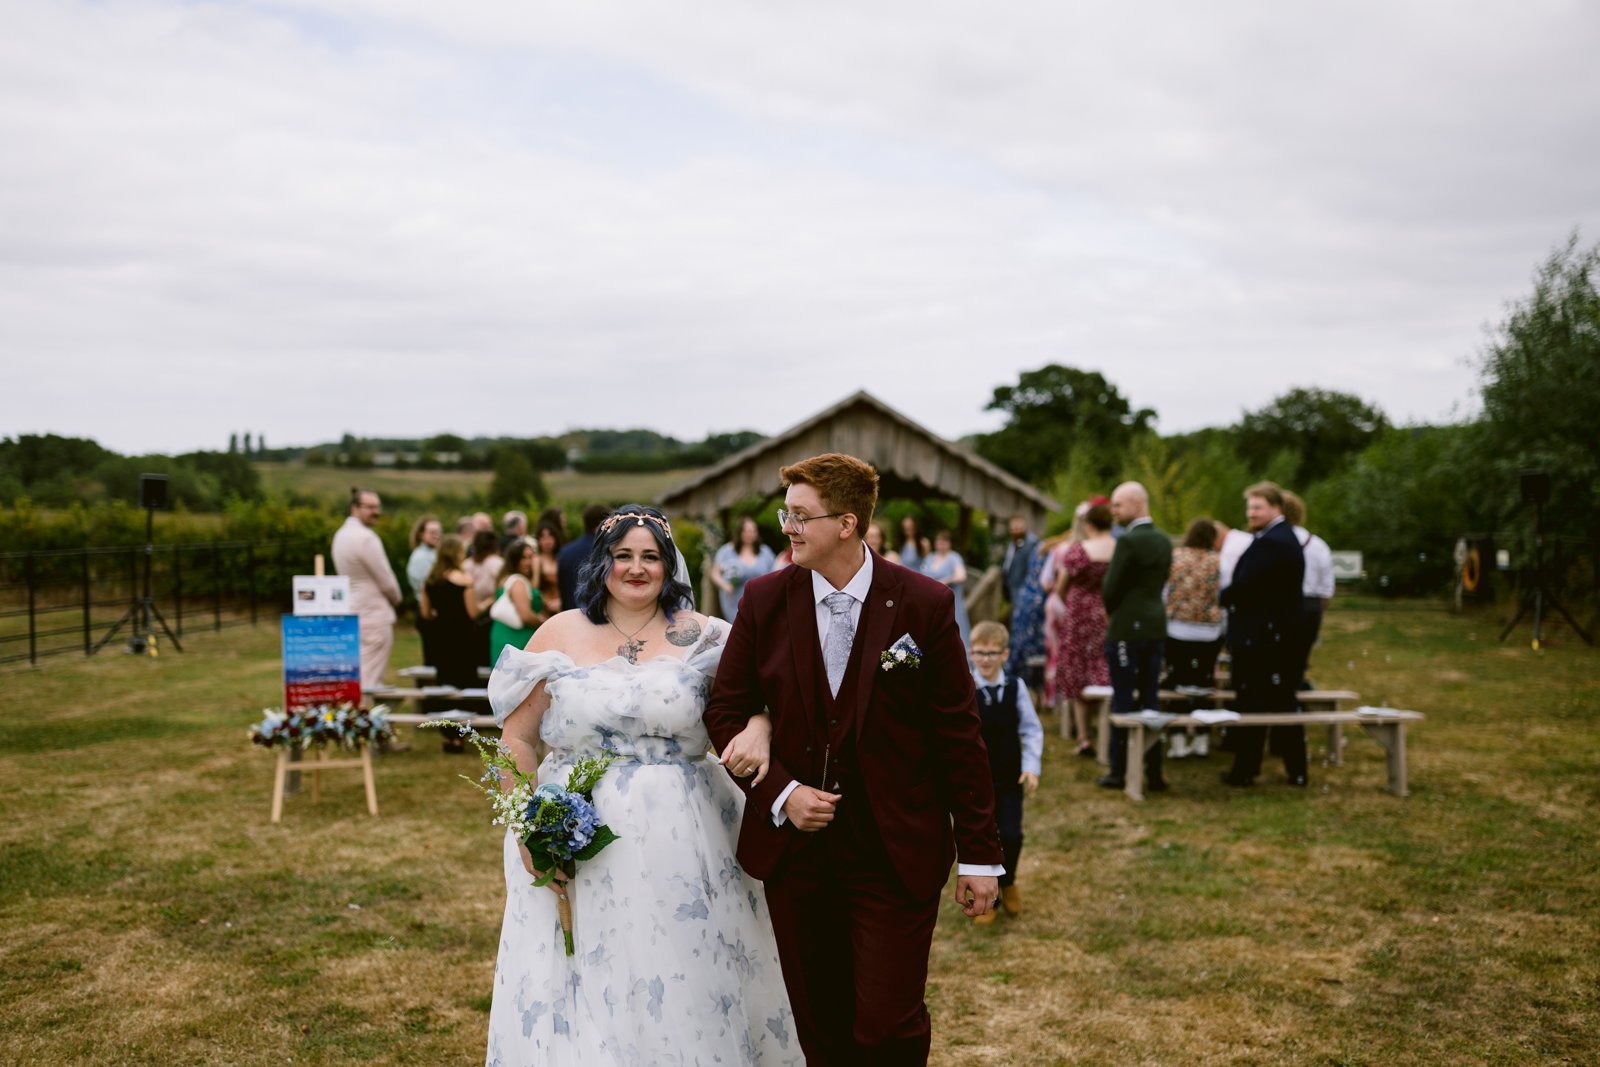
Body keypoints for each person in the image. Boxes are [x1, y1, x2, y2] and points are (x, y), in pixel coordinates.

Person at [703, 452, 1003, 1066]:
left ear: (847, 524)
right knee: (820, 1022)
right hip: (798, 855)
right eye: (785, 514)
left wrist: (980, 855)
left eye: (800, 516)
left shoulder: (924, 602)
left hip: (893, 848)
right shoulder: (764, 599)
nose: (787, 527)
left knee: (887, 1022)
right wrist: (783, 792)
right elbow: (726, 710)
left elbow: (958, 734)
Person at [485, 505, 799, 1066]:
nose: (636, 568)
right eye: (623, 555)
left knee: (680, 965)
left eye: (650, 556)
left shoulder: (707, 635)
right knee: (587, 969)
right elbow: (518, 741)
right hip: (578, 836)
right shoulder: (559, 632)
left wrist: (760, 725)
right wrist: (528, 825)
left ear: (668, 564)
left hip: (686, 837)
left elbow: (770, 699)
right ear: (601, 561)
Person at [1221, 482, 1307, 788]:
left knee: (1255, 701)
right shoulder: (1281, 538)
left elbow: (1246, 586)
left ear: (1276, 508)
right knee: (1282, 700)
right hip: (1276, 636)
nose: (1251, 513)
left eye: (1257, 507)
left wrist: (1223, 597)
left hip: (1262, 638)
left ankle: (1246, 770)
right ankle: (1294, 770)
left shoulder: (1272, 542)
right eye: (1249, 508)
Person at [1097, 482, 1172, 792]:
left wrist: (1113, 610)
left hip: (1127, 626)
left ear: (1137, 504)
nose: (1113, 511)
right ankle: (1154, 772)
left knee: (1124, 698)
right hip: (1155, 623)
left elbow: (1110, 587)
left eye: (1118, 505)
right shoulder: (1165, 540)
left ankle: (1119, 770)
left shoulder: (1128, 541)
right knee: (1151, 698)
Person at [967, 620, 1043, 926]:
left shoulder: (1016, 688)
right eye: (979, 652)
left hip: (1009, 778)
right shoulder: (964, 688)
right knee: (983, 838)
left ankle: (1008, 881)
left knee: (1011, 835)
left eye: (992, 653)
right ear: (971, 654)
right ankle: (990, 897)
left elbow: (1032, 729)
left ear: (1005, 654)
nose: (985, 659)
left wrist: (1031, 767)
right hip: (975, 780)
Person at [1054, 504, 1114, 758]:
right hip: (1106, 612)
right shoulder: (1118, 548)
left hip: (1079, 614)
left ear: (1089, 525)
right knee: (1102, 667)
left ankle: (1083, 736)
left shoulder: (1079, 550)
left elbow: (1060, 587)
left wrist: (1075, 599)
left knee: (1078, 670)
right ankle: (1107, 730)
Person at [1162, 518, 1224, 759]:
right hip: (1208, 629)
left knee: (1177, 682)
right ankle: (1201, 739)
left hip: (1177, 627)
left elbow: (1164, 591)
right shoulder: (1218, 561)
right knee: (1204, 684)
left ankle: (1178, 740)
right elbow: (1223, 593)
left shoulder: (1175, 557)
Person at [331, 488, 403, 692]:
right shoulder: (366, 537)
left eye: (378, 507)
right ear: (355, 508)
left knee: (356, 670)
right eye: (370, 507)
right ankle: (363, 719)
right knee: (370, 676)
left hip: (351, 609)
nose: (376, 511)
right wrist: (397, 599)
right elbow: (385, 578)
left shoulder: (340, 535)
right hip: (373, 613)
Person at [1281, 490, 1334, 689]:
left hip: (1282, 603)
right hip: (1311, 604)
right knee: (1300, 658)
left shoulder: (1270, 542)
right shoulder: (1318, 545)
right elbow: (1327, 585)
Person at [419, 534, 482, 690]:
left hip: (440, 634)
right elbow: (472, 613)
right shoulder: (464, 578)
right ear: (456, 553)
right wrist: (487, 603)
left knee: (445, 679)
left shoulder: (430, 580)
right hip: (463, 635)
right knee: (466, 680)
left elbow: (426, 613)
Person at [489, 537, 546, 666]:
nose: (528, 562)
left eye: (531, 557)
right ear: (515, 560)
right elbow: (525, 615)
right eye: (523, 558)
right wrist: (545, 623)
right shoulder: (518, 582)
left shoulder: (506, 578)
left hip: (505, 634)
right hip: (515, 638)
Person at [710, 515, 777, 621]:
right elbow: (715, 573)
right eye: (747, 531)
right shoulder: (727, 551)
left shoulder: (765, 552)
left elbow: (775, 572)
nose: (750, 534)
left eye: (753, 531)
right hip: (734, 601)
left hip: (760, 601)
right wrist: (725, 585)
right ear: (740, 532)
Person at [920, 529, 971, 646]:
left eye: (944, 541)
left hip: (950, 603)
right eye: (938, 541)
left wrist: (946, 581)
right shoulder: (930, 558)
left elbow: (961, 575)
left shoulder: (954, 557)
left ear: (949, 543)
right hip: (931, 603)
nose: (941, 544)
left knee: (954, 635)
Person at [558, 504, 610, 612]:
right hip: (599, 615)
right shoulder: (607, 550)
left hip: (569, 613)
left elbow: (563, 589)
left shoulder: (565, 551)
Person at [531, 519, 564, 615]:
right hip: (546, 607)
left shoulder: (561, 557)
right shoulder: (537, 559)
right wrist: (547, 602)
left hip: (563, 604)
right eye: (543, 537)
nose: (547, 541)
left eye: (550, 537)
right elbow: (534, 587)